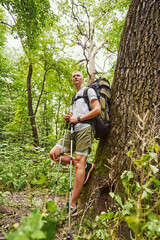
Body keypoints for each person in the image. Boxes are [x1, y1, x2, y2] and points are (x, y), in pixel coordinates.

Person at [49, 70, 101, 215]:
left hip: (85, 128)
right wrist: (69, 117)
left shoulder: (88, 91)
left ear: (83, 79)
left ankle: (72, 204)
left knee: (79, 162)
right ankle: (85, 166)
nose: (75, 77)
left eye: (78, 75)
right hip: (72, 130)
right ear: (72, 80)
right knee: (54, 154)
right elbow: (74, 115)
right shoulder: (74, 97)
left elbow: (97, 110)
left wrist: (77, 119)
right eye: (73, 76)